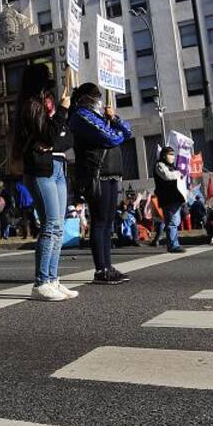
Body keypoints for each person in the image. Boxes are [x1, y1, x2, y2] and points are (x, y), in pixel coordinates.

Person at [12, 63, 76, 301]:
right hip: (40, 169)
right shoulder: (31, 106)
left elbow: (67, 138)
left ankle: (53, 278)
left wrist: (54, 140)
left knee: (59, 226)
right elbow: (49, 134)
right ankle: (41, 282)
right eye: (46, 78)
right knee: (50, 225)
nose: (51, 81)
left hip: (58, 166)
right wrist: (61, 111)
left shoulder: (47, 103)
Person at [68, 83, 133, 284]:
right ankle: (100, 269)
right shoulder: (81, 115)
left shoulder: (99, 116)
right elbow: (111, 137)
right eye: (95, 97)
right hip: (96, 175)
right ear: (86, 98)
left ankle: (108, 265)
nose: (99, 101)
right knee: (99, 222)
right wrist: (116, 132)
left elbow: (127, 132)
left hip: (111, 173)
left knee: (108, 223)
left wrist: (114, 118)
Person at [153, 147, 187, 253]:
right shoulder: (160, 165)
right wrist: (178, 174)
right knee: (172, 222)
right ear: (164, 155)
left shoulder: (172, 167)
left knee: (175, 221)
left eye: (173, 154)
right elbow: (167, 176)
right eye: (170, 154)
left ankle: (174, 243)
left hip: (175, 198)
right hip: (168, 198)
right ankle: (173, 245)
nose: (172, 156)